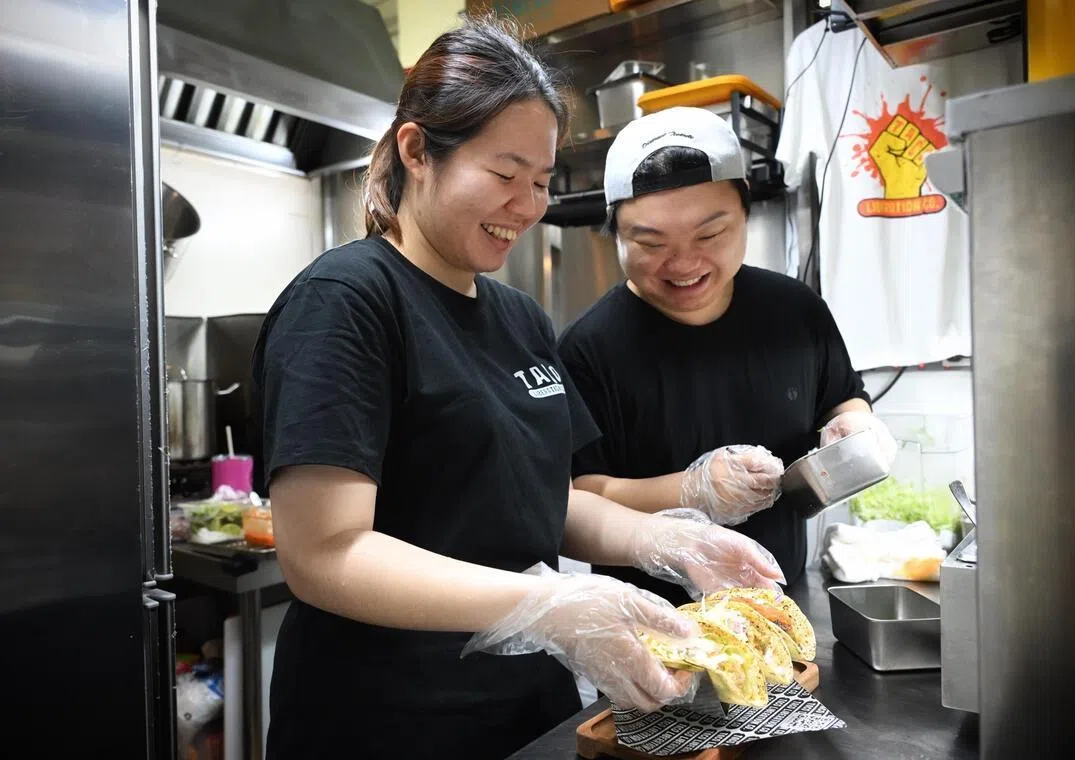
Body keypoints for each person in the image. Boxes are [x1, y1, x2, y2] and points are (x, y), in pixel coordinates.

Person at [250, 18, 786, 760]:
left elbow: (541, 497)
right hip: (387, 723)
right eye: (506, 176)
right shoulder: (347, 301)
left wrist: (664, 538)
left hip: (525, 715)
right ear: (417, 151)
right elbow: (325, 554)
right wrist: (546, 603)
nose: (529, 206)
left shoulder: (519, 317)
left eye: (538, 182)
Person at [557, 106, 899, 607]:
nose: (683, 263)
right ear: (615, 234)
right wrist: (692, 491)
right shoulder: (586, 349)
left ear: (745, 215)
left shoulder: (795, 311)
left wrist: (853, 428)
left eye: (710, 234)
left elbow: (843, 399)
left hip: (781, 606)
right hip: (649, 624)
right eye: (649, 242)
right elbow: (582, 496)